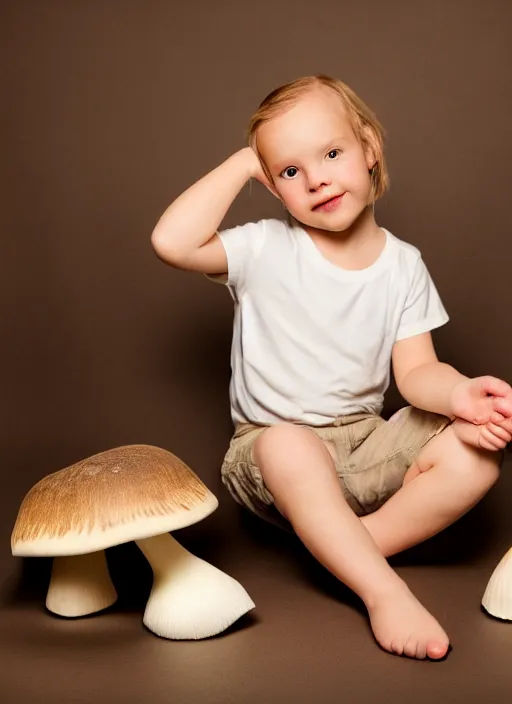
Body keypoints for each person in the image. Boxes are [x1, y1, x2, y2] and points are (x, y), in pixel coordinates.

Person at [150, 74, 512, 660]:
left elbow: (417, 375)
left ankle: (346, 546)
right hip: (271, 452)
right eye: (289, 171)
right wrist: (245, 161)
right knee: (290, 445)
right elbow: (171, 241)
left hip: (365, 444)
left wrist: (464, 395)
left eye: (332, 153)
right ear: (272, 186)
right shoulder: (264, 248)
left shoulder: (403, 266)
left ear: (369, 148)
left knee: (479, 447)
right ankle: (380, 588)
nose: (316, 177)